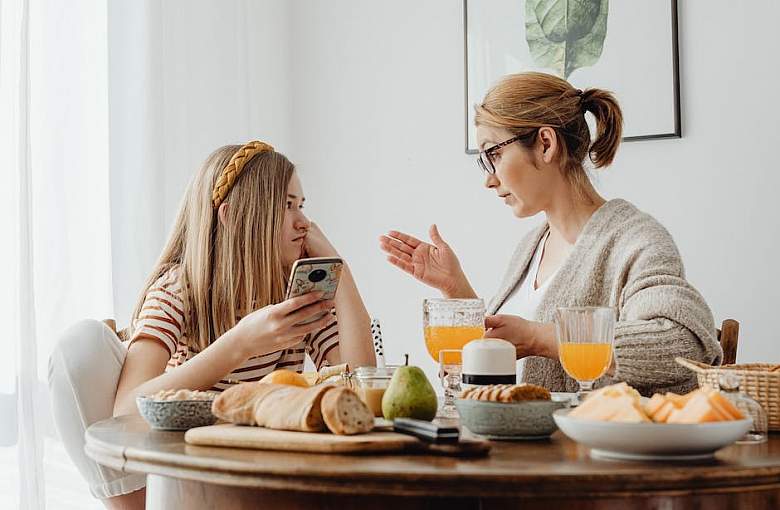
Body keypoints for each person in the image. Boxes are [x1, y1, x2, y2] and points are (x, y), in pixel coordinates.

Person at [49, 141, 375, 509]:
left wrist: (340, 270)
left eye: (302, 206)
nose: (304, 223)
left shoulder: (294, 294)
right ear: (233, 216)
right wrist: (241, 343)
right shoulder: (180, 287)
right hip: (189, 478)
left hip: (265, 474)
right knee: (79, 342)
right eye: (287, 206)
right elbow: (126, 410)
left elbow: (361, 385)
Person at [380, 72, 720, 397]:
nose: (489, 179)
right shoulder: (531, 246)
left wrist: (540, 337)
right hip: (515, 450)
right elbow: (505, 356)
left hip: (586, 453)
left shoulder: (636, 241)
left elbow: (683, 344)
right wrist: (456, 289)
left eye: (494, 153)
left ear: (545, 143)